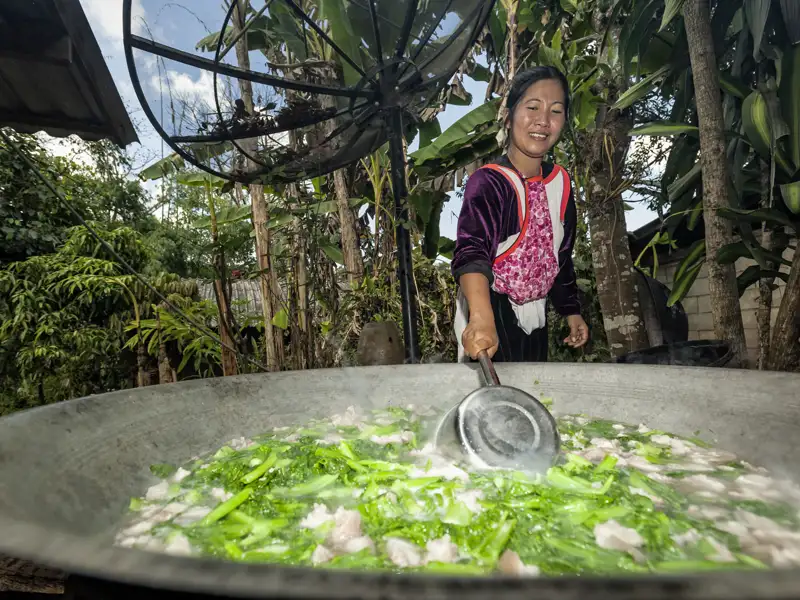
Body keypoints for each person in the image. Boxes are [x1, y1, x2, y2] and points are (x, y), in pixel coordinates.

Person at [451, 66, 589, 363]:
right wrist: (481, 318)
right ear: (510, 114)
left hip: (536, 316)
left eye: (556, 111)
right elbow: (471, 252)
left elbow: (560, 257)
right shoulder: (489, 182)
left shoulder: (560, 184)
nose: (543, 121)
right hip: (491, 309)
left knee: (532, 394)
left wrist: (571, 311)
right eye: (532, 107)